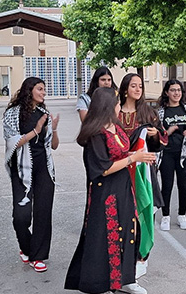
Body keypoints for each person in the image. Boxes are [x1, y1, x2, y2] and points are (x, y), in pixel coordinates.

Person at [65, 87, 155, 294]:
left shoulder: (116, 127)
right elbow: (102, 168)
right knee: (106, 236)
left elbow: (123, 152)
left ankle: (126, 278)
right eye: (116, 103)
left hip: (123, 187)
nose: (118, 106)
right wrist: (134, 158)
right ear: (107, 106)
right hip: (106, 193)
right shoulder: (96, 134)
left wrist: (140, 154)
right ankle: (101, 282)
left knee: (129, 230)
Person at [2, 77, 60, 273]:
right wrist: (35, 131)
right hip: (21, 168)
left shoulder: (44, 113)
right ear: (29, 90)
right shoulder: (13, 114)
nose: (44, 93)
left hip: (44, 167)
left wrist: (54, 128)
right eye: (40, 89)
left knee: (43, 213)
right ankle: (26, 247)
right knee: (21, 216)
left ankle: (38, 256)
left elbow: (53, 145)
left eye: (44, 89)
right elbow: (12, 142)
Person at [118, 73, 168, 279]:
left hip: (143, 171)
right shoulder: (115, 112)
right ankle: (123, 257)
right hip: (120, 170)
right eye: (133, 86)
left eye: (140, 86)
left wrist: (155, 136)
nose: (138, 90)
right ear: (125, 89)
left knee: (145, 211)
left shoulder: (148, 112)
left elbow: (163, 138)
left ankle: (142, 257)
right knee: (124, 214)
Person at [157, 79, 186, 231]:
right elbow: (158, 133)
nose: (176, 93)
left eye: (178, 90)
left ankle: (182, 215)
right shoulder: (161, 111)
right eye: (173, 90)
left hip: (184, 152)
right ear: (166, 92)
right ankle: (165, 216)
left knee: (183, 185)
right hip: (166, 153)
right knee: (167, 185)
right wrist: (169, 131)